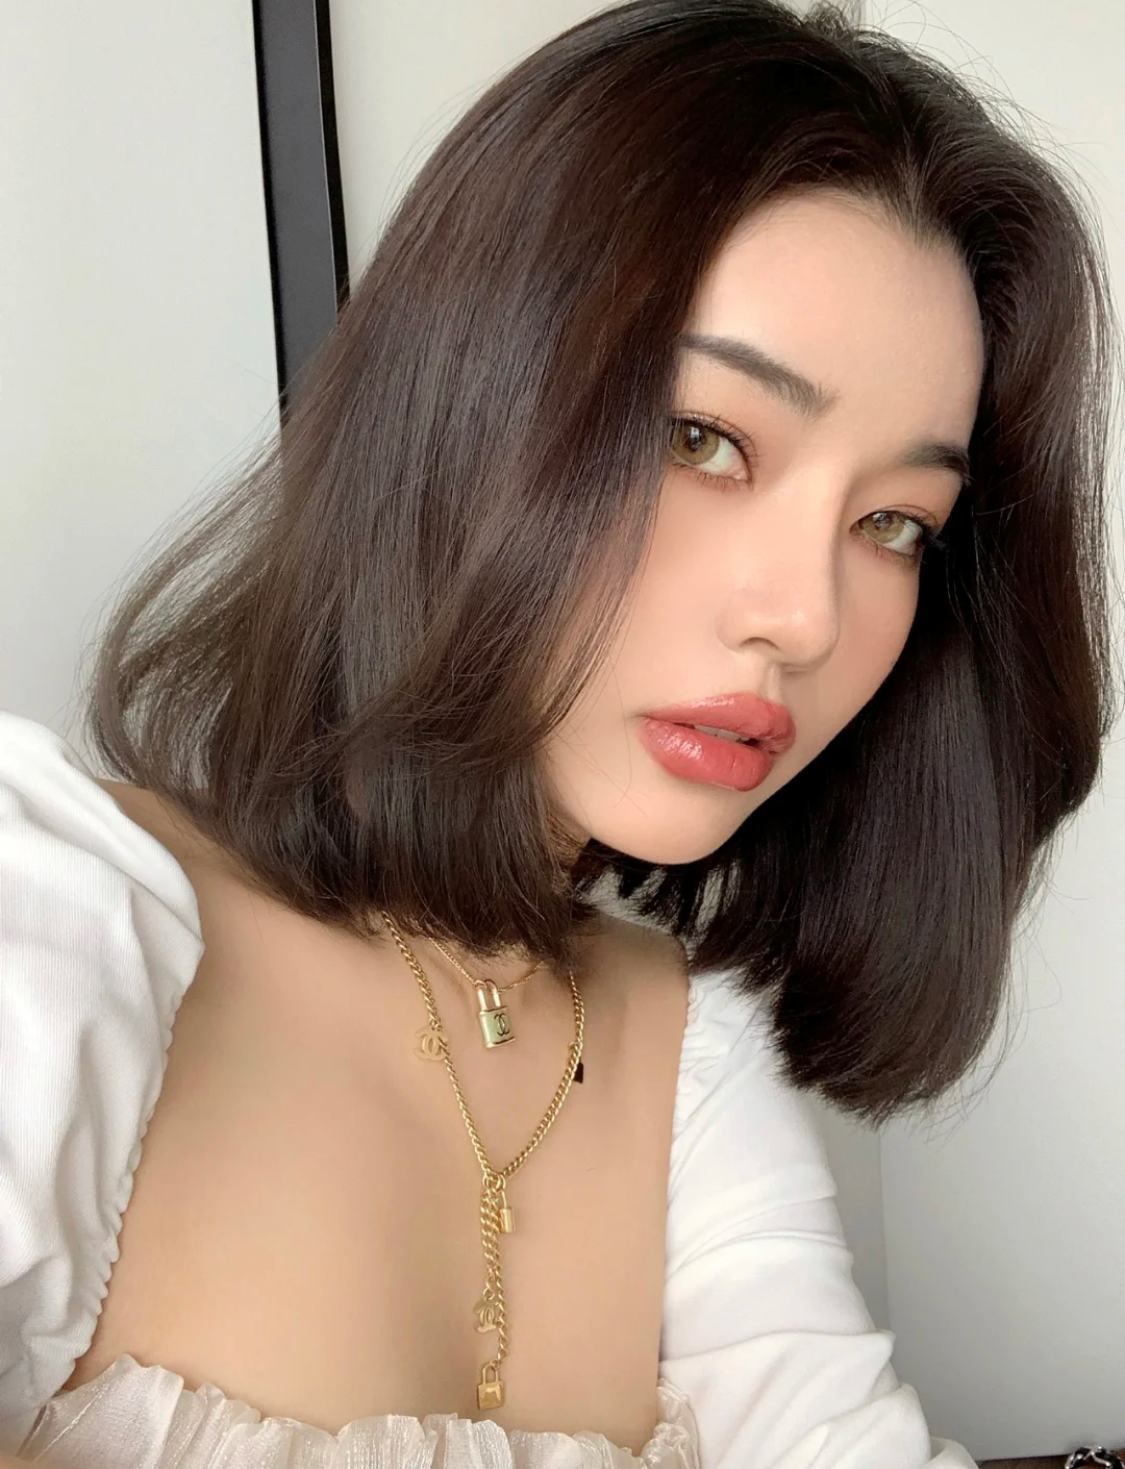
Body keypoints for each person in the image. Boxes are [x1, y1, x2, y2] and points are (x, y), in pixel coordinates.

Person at [0, 0, 1118, 1465]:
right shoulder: (57, 932)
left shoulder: (696, 1061)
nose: (804, 616)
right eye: (702, 439)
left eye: (898, 523)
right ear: (458, 403)